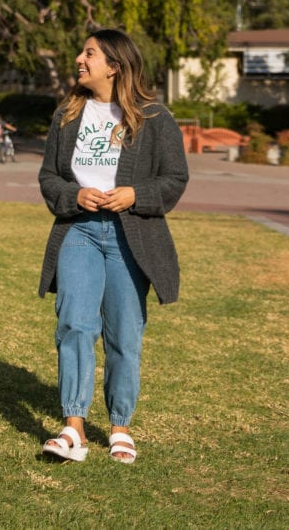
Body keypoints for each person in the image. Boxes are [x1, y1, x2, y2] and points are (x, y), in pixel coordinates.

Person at [37, 28, 188, 464]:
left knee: (124, 333)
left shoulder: (154, 118)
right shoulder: (67, 114)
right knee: (74, 324)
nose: (79, 60)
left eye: (89, 54)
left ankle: (120, 425)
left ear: (115, 65)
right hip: (79, 230)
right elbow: (49, 177)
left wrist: (135, 194)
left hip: (130, 236)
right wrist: (73, 196)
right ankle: (73, 428)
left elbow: (175, 179)